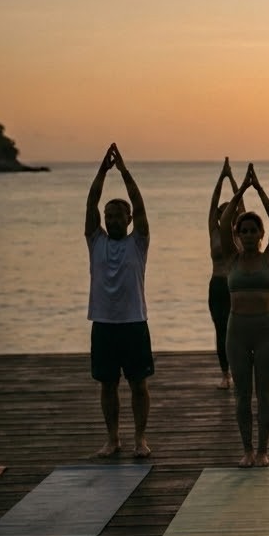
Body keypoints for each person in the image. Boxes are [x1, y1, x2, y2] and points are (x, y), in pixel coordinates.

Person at [85, 143, 153, 459]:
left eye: (117, 215)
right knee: (107, 385)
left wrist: (124, 171)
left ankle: (140, 439)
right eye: (108, 215)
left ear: (128, 219)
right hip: (104, 324)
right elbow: (91, 203)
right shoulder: (95, 240)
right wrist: (102, 171)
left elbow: (139, 203)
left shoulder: (138, 242)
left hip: (134, 323)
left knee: (139, 385)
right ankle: (113, 439)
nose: (111, 219)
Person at [218, 164, 269, 467]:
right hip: (237, 331)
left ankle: (263, 450)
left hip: (265, 329)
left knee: (264, 394)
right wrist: (241, 189)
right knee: (242, 395)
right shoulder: (230, 258)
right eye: (242, 230)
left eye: (252, 230)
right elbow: (224, 224)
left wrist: (260, 190)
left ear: (261, 234)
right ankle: (246, 450)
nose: (247, 234)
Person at [206, 158, 242, 389]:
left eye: (232, 211)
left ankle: (240, 373)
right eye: (223, 212)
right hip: (218, 285)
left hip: (237, 286)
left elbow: (242, 201)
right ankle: (225, 374)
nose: (226, 214)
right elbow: (212, 205)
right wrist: (222, 177)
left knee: (238, 330)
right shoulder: (215, 232)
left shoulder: (240, 232)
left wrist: (236, 181)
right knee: (221, 330)